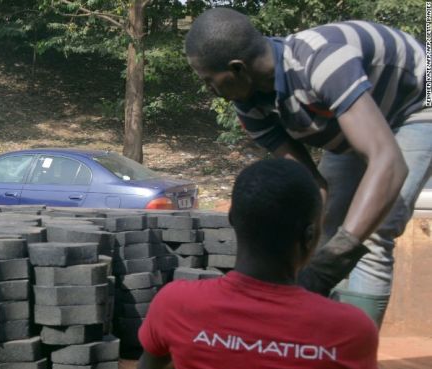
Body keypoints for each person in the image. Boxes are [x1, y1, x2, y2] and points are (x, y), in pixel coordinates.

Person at [184, 8, 432, 326]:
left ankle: (352, 359)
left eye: (209, 80)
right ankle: (316, 340)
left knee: (372, 232)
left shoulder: (321, 62)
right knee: (324, 228)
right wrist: (293, 269)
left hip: (414, 104)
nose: (210, 90)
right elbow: (312, 185)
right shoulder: (249, 104)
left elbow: (389, 162)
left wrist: (327, 265)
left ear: (237, 69)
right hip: (352, 124)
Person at [137, 158, 384, 369]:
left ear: (232, 220)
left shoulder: (176, 303)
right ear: (310, 236)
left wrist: (199, 344)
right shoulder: (350, 329)